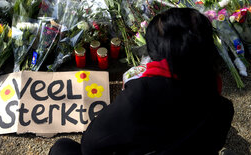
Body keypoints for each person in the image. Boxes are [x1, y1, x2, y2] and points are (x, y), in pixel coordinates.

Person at [49, 8, 234, 155]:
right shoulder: (221, 105)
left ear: (158, 54)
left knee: (62, 148)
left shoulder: (141, 94)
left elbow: (91, 145)